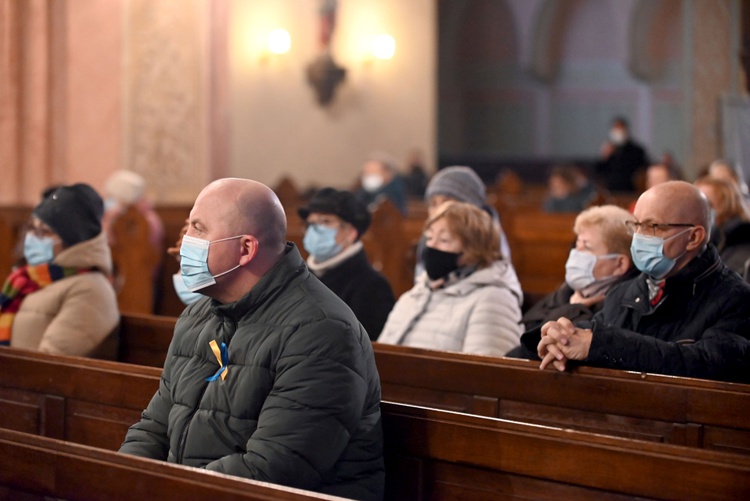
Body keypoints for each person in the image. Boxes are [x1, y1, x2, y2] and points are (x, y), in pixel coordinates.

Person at [119, 178, 384, 500]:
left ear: (245, 249)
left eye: (198, 229)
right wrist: (123, 481)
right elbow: (155, 426)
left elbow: (276, 466)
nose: (184, 242)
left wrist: (166, 490)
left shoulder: (322, 331)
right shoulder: (198, 316)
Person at [534, 181, 750, 383]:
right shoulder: (623, 292)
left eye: (651, 226)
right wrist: (563, 338)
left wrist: (599, 344)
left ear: (693, 237)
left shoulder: (735, 298)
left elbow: (705, 365)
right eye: (636, 225)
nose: (638, 237)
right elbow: (595, 336)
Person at [377, 201, 523, 357]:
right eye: (429, 237)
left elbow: (486, 374)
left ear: (472, 251)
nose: (431, 245)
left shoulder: (494, 299)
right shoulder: (417, 294)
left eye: (444, 240)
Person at [0, 184, 119, 358]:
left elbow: (51, 367)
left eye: (44, 232)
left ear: (72, 240)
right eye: (32, 228)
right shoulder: (31, 280)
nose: (33, 237)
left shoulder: (91, 290)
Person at [508, 205, 637, 360]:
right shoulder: (568, 291)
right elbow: (527, 336)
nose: (576, 253)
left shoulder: (621, 307)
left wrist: (574, 309)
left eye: (587, 246)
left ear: (619, 264)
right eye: (577, 244)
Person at [298, 187, 395, 340]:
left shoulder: (373, 286)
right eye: (311, 223)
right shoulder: (298, 275)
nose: (315, 230)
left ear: (350, 232)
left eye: (325, 222)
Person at [416, 165, 511, 279]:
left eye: (447, 203)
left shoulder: (488, 241)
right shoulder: (428, 239)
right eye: (433, 204)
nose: (438, 210)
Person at [695, 176, 750, 275]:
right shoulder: (710, 245)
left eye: (706, 204)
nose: (695, 211)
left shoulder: (742, 248)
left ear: (729, 206)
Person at [595, 116, 650, 192]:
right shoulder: (608, 149)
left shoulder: (637, 150)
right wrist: (604, 157)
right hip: (611, 190)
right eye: (616, 128)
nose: (618, 132)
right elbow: (599, 171)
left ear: (626, 130)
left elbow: (645, 167)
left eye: (620, 128)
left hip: (630, 189)